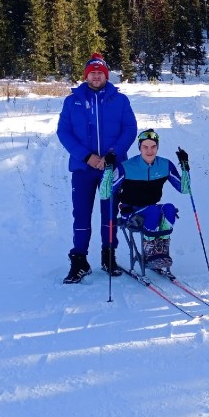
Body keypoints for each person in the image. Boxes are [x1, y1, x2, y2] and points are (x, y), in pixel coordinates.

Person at [57, 53, 137, 284]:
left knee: (109, 213)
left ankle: (108, 255)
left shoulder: (119, 100)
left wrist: (113, 154)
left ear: (106, 75)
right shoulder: (72, 101)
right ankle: (79, 260)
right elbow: (64, 132)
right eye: (92, 72)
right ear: (86, 75)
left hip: (111, 167)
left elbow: (129, 128)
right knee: (81, 214)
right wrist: (86, 156)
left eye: (100, 73)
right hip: (83, 168)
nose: (95, 76)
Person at [112, 129, 190, 270]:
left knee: (169, 209)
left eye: (153, 146)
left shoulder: (165, 165)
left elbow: (185, 189)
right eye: (145, 147)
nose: (149, 151)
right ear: (140, 148)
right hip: (131, 212)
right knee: (153, 211)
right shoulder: (127, 167)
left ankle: (162, 249)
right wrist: (107, 169)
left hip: (150, 209)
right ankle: (150, 250)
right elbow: (106, 192)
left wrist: (185, 167)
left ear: (158, 147)